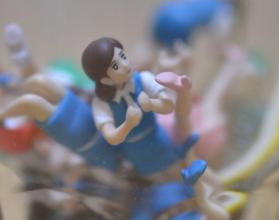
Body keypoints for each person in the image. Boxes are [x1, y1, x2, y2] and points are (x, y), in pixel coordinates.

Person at [81, 37, 197, 176]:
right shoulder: (101, 103)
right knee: (153, 175)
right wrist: (128, 124)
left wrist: (151, 104)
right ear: (105, 80)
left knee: (174, 165)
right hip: (136, 151)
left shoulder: (144, 78)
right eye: (115, 66)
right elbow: (111, 137)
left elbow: (169, 106)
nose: (125, 65)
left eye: (123, 56)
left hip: (157, 137)